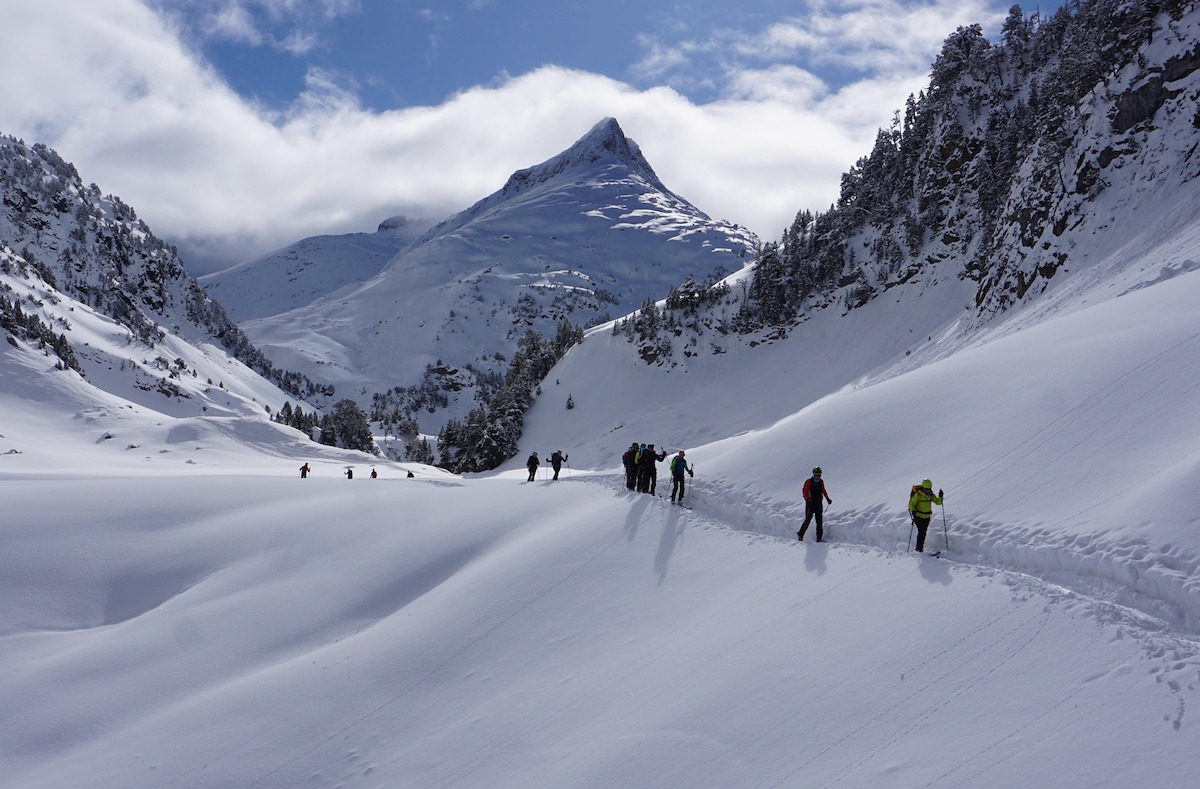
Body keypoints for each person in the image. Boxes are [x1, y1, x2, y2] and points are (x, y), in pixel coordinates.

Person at [797, 467, 833, 542]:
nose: (818, 476)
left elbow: (823, 490)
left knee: (819, 521)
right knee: (808, 520)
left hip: (818, 504)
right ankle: (800, 534)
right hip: (810, 504)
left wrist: (827, 499)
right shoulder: (809, 481)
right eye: (816, 475)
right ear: (813, 474)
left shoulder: (821, 482)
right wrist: (808, 499)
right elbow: (805, 492)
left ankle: (819, 538)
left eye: (819, 475)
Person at [908, 479, 944, 553]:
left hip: (927, 517)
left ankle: (919, 549)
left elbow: (938, 502)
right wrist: (914, 513)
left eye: (929, 489)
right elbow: (912, 504)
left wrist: (941, 497)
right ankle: (919, 549)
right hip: (918, 517)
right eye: (926, 489)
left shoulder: (931, 495)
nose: (928, 490)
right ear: (923, 487)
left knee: (923, 532)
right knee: (921, 532)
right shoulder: (918, 495)